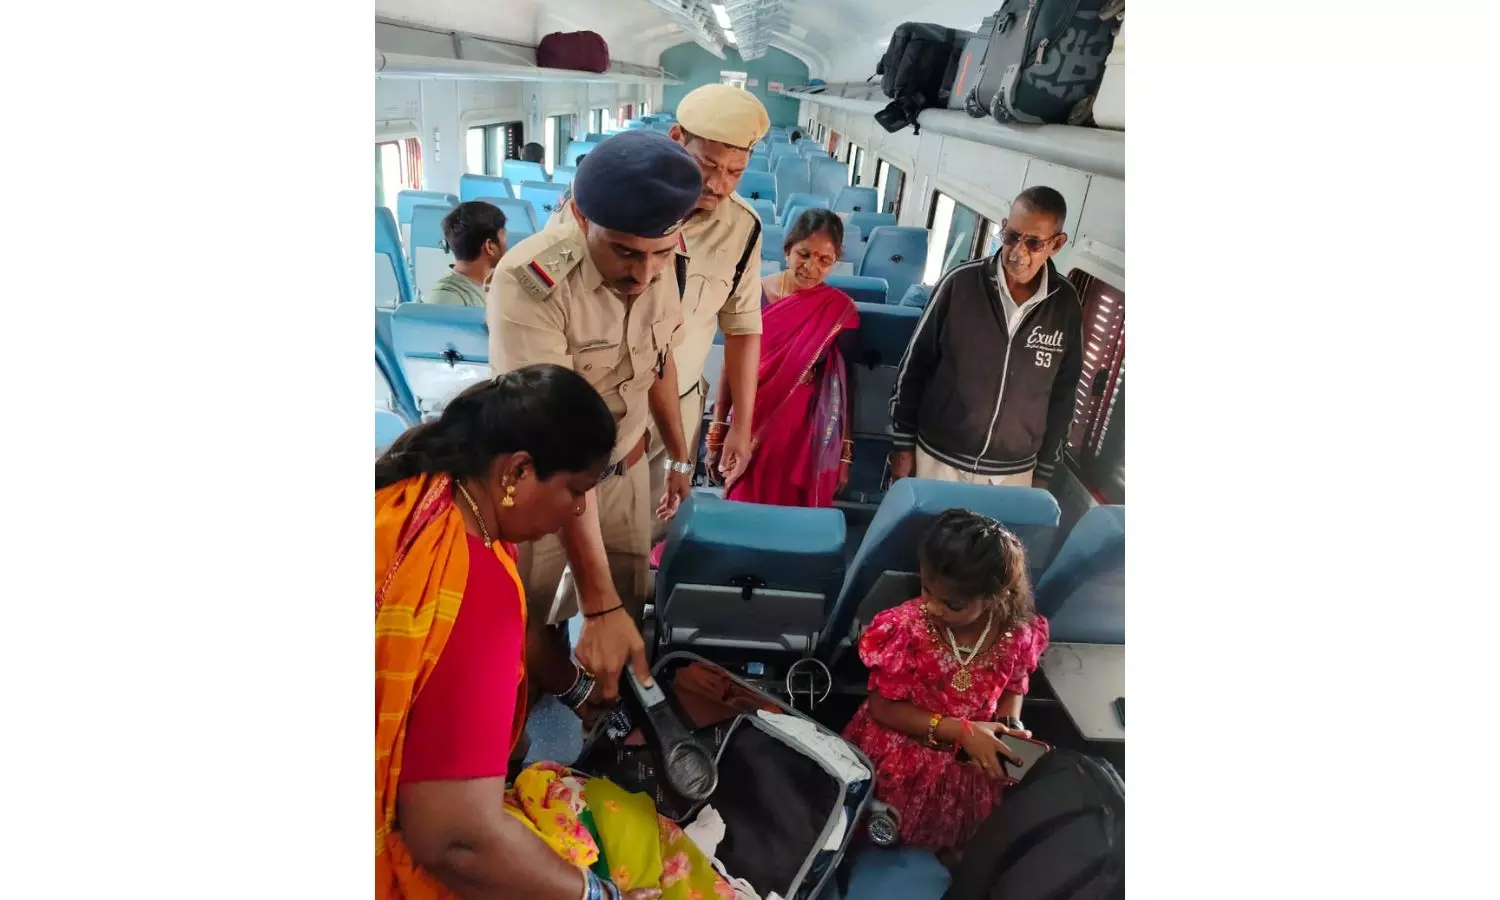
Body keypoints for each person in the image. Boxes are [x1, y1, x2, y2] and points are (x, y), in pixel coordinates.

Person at [375, 366, 664, 900]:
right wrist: (601, 897)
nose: (579, 510)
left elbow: (520, 634)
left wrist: (578, 691)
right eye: (575, 490)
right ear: (519, 471)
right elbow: (458, 843)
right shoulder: (471, 587)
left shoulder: (427, 494)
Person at [488, 129, 702, 701]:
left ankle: (605, 720)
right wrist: (595, 599)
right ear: (581, 217)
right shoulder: (530, 284)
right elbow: (556, 444)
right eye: (626, 252)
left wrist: (680, 455)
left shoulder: (665, 262)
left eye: (660, 253)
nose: (645, 273)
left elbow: (660, 363)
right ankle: (540, 710)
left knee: (627, 605)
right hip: (540, 480)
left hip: (625, 466)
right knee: (527, 620)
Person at [841, 509, 1050, 855]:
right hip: (901, 753)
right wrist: (961, 730)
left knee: (949, 842)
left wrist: (1009, 722)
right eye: (926, 590)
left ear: (995, 595)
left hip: (968, 762)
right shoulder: (905, 629)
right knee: (873, 836)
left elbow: (1015, 682)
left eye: (952, 603)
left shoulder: (1018, 633)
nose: (934, 607)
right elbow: (882, 707)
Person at [888, 186, 1083, 490]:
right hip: (939, 457)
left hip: (1014, 472)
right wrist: (902, 445)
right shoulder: (960, 284)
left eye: (1033, 243)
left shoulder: (1065, 304)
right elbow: (914, 366)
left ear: (1056, 245)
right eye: (1011, 236)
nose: (1018, 252)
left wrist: (1044, 472)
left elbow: (1063, 395)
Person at [646, 84, 771, 540]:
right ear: (677, 138)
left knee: (647, 538)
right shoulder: (617, 200)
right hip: (596, 405)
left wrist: (741, 425)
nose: (719, 185)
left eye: (735, 172)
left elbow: (741, 328)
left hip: (673, 418)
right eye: (708, 166)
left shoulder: (743, 228)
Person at [714, 209, 859, 507]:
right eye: (803, 254)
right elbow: (732, 365)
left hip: (805, 433)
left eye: (824, 261)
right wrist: (718, 429)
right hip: (750, 421)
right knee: (743, 506)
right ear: (786, 250)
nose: (810, 267)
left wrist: (845, 451)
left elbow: (843, 386)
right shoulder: (753, 296)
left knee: (793, 523)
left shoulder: (838, 311)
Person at [425, 201, 507, 307]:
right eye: (504, 236)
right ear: (490, 246)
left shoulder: (488, 286)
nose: (506, 244)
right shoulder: (448, 299)